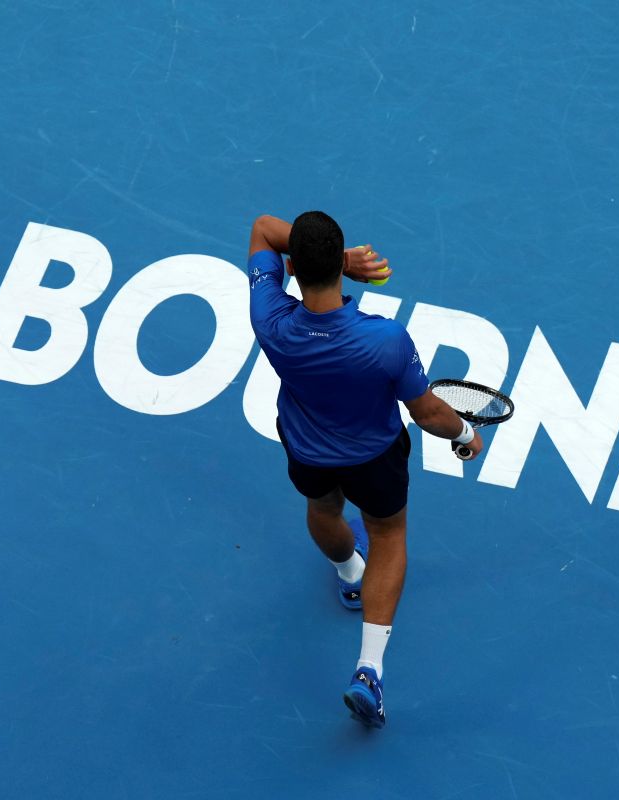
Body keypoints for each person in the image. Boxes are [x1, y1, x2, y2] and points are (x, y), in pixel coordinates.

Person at [247, 211, 484, 728]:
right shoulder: (384, 339)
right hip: (373, 461)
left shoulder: (269, 319)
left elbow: (264, 226)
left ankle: (349, 572)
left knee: (322, 508)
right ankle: (369, 670)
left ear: (292, 268)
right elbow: (427, 413)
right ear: (341, 265)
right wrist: (465, 435)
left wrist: (329, 259)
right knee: (388, 535)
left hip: (307, 452)